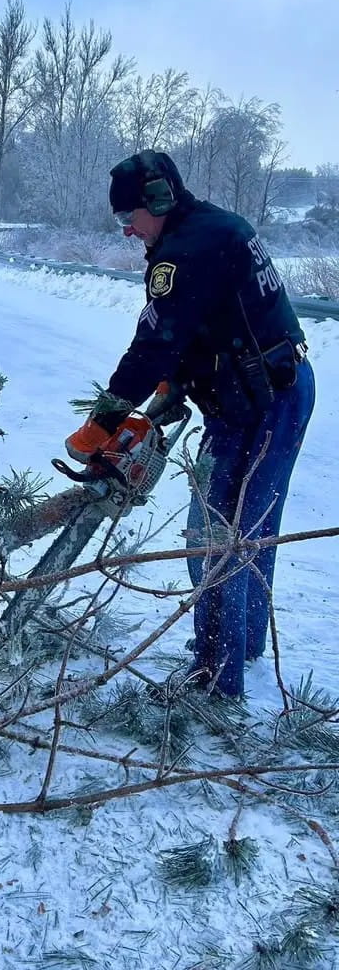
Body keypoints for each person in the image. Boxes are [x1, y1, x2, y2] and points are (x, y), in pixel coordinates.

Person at [90, 149, 315, 698]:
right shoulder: (214, 226)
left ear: (159, 201)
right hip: (278, 388)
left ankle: (216, 678)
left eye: (129, 219)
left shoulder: (187, 252)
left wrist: (106, 418)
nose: (126, 231)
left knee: (213, 538)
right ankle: (243, 643)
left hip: (256, 407)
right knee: (254, 529)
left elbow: (155, 342)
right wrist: (183, 380)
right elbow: (213, 319)